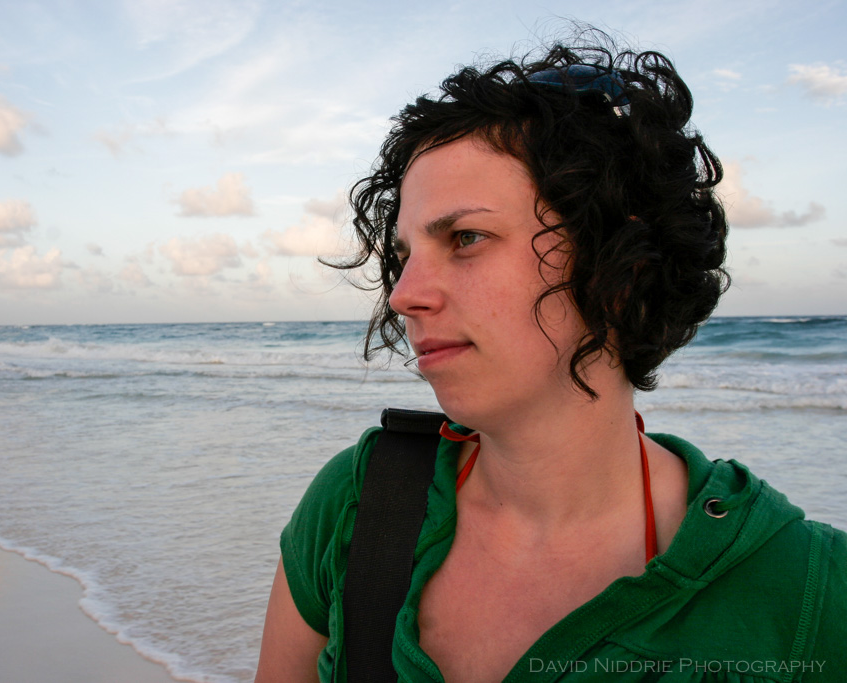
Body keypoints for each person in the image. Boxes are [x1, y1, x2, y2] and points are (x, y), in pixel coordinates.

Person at [256, 30, 846, 682]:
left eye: (466, 237)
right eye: (405, 255)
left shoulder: (807, 589)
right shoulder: (362, 505)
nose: (403, 294)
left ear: (618, 263)